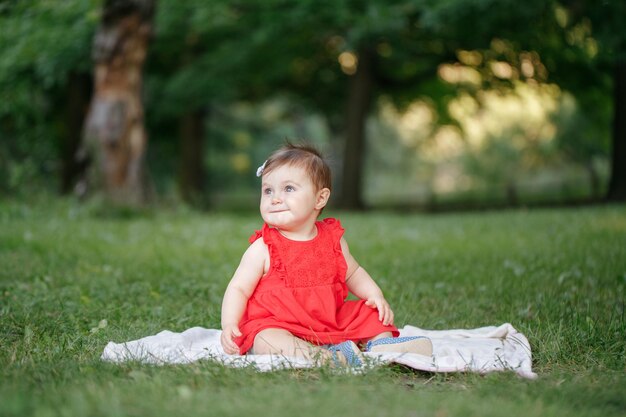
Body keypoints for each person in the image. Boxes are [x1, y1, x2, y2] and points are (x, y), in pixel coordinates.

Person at [220, 143, 432, 365]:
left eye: (289, 189)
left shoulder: (333, 239)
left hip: (329, 319)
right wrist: (229, 323)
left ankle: (380, 344)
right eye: (268, 190)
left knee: (366, 313)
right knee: (265, 339)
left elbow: (353, 273)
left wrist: (374, 295)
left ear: (320, 199)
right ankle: (326, 357)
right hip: (280, 323)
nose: (275, 198)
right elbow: (238, 288)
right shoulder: (263, 247)